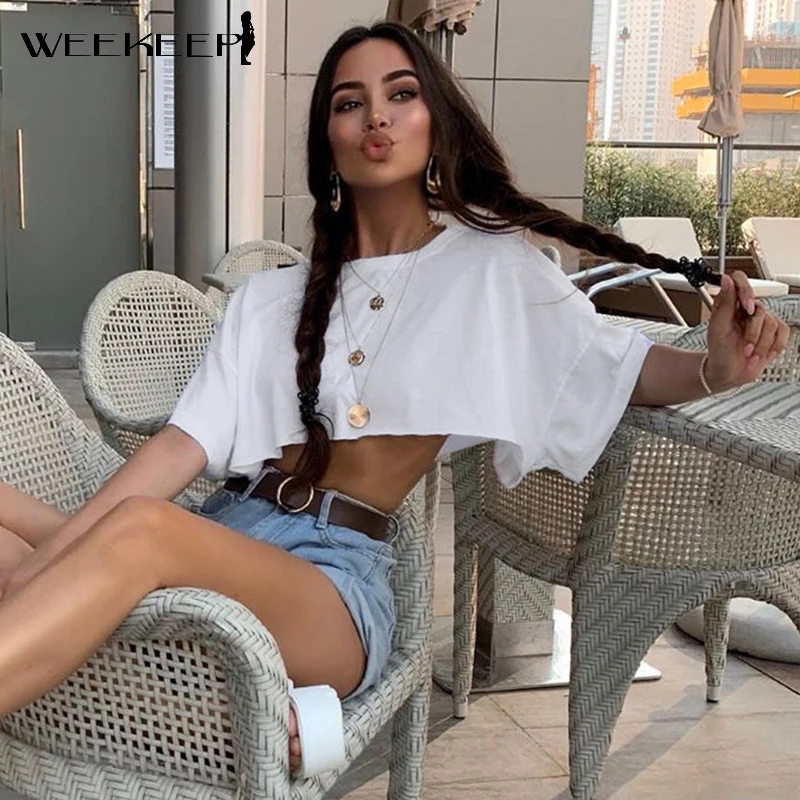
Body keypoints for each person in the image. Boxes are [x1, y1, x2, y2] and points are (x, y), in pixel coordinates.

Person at [0, 21, 789, 778]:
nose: (376, 115)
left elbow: (617, 366)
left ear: (434, 122)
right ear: (330, 143)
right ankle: (248, 714)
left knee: (134, 534)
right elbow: (180, 448)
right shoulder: (268, 300)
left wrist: (714, 368)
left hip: (330, 580)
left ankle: (240, 696)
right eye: (350, 102)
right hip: (224, 535)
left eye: (400, 94)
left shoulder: (491, 272)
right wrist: (58, 558)